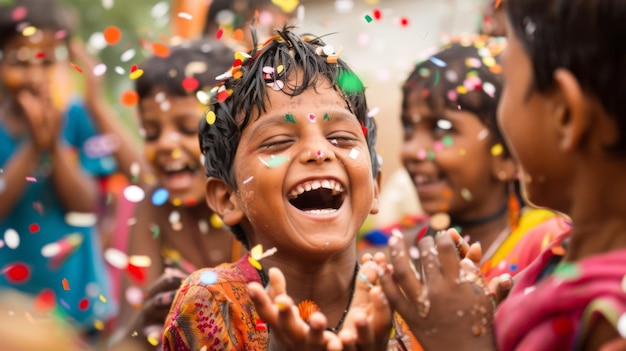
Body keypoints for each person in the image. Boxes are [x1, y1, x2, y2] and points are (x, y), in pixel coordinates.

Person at [377, 0, 626, 349]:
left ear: (565, 115)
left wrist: (463, 343)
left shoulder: (611, 318)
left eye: (507, 81)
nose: (413, 151)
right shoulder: (554, 265)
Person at [162, 26, 418, 350]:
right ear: (228, 198)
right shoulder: (212, 304)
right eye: (278, 142)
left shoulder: (410, 301)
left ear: (375, 186)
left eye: (340, 137)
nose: (318, 152)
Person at [360, 35, 567, 282]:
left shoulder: (549, 248)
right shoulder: (387, 251)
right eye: (408, 128)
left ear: (507, 156)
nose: (412, 150)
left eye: (441, 128)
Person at [0, 0, 146, 341]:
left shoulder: (77, 117)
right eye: (19, 61)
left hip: (77, 307)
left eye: (47, 61)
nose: (34, 74)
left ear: (69, 62)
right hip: (9, 312)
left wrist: (54, 147)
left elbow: (86, 206)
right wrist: (33, 147)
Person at [108, 39, 245, 350]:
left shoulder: (256, 204)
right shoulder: (152, 206)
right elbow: (129, 333)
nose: (166, 144)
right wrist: (144, 323)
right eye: (151, 133)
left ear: (233, 131)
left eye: (186, 128)